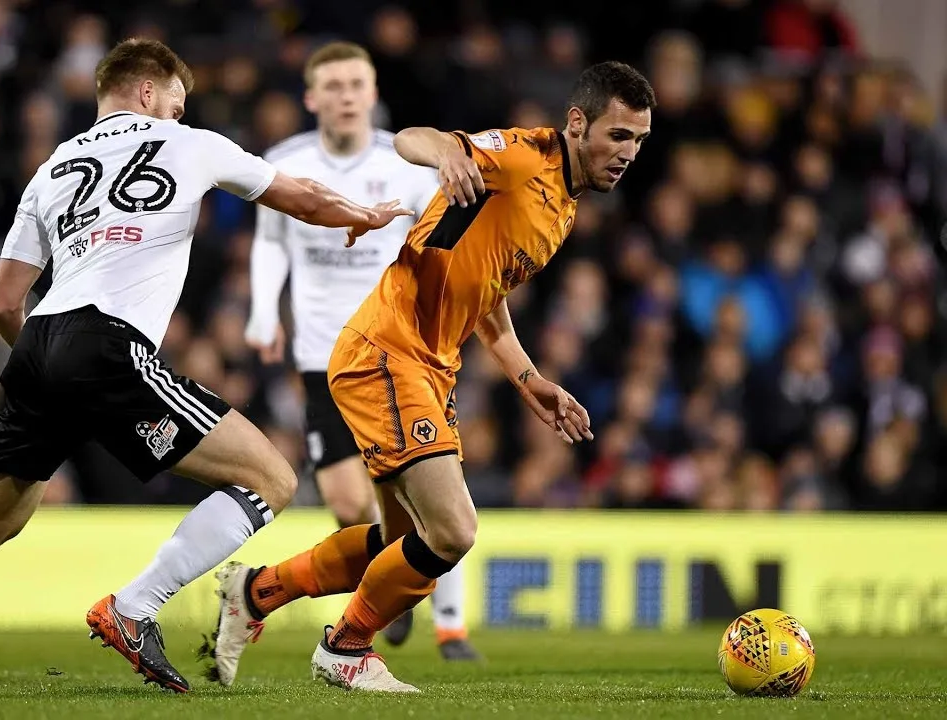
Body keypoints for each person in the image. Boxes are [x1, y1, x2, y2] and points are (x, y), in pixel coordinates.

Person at [0, 38, 412, 694]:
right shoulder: (190, 142)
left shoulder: (53, 166)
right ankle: (134, 608)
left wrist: (51, 369)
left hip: (40, 342)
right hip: (109, 343)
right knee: (271, 479)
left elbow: (2, 302)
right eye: (176, 100)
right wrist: (363, 215)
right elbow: (301, 197)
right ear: (148, 91)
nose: (178, 111)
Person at [210, 61, 654, 692]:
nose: (628, 153)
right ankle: (346, 648)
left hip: (424, 364)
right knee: (452, 531)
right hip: (388, 350)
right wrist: (447, 151)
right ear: (578, 123)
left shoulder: (563, 211)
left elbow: (489, 299)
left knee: (400, 542)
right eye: (618, 136)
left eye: (638, 140)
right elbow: (408, 138)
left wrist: (532, 382)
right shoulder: (528, 158)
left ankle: (256, 591)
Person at [228, 41, 478, 676]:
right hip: (323, 356)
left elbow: (446, 253)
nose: (345, 96)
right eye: (332, 86)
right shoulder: (284, 162)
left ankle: (435, 621)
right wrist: (263, 315)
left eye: (356, 85)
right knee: (350, 502)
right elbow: (271, 243)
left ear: (372, 93)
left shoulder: (411, 168)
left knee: (422, 509)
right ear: (312, 98)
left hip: (401, 353)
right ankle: (372, 604)